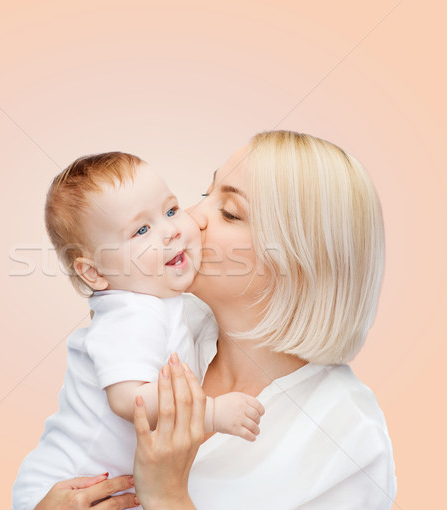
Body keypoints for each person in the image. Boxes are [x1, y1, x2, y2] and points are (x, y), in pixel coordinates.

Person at [31, 130, 397, 509]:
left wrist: (167, 496)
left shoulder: (350, 442)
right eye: (207, 193)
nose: (191, 218)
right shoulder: (165, 322)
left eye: (230, 212)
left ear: (300, 263)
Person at [11, 153, 265, 510]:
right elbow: (130, 400)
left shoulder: (164, 300)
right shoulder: (132, 313)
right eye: (141, 230)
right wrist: (212, 413)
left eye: (172, 210)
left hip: (111, 488)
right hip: (67, 486)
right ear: (95, 273)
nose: (172, 229)